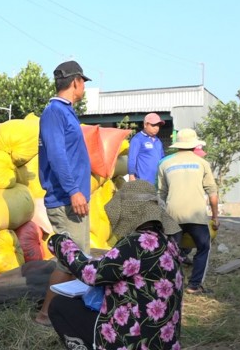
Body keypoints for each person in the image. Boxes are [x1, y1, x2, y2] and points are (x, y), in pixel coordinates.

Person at [47, 180, 183, 349]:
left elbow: (92, 275)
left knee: (60, 306)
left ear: (127, 212)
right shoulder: (167, 242)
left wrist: (61, 244)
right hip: (163, 341)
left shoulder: (137, 243)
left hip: (132, 342)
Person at [34, 60, 93, 326]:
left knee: (76, 258)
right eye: (83, 83)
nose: (83, 88)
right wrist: (73, 191)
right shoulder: (54, 112)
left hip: (72, 198)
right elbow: (57, 156)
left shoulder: (65, 112)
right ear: (76, 82)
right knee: (71, 260)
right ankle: (46, 314)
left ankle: (66, 312)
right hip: (65, 199)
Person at [158, 128, 219, 294]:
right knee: (203, 247)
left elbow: (161, 194)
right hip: (196, 214)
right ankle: (193, 285)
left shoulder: (165, 164)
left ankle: (170, 286)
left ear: (178, 145)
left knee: (172, 252)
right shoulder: (202, 163)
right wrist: (215, 216)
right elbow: (212, 193)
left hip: (173, 214)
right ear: (194, 145)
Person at [127, 112, 166, 184]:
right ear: (145, 125)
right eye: (153, 125)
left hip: (157, 182)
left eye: (158, 125)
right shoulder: (137, 139)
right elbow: (132, 158)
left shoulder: (158, 141)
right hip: (142, 182)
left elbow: (162, 159)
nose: (156, 128)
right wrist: (131, 175)